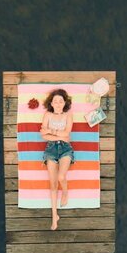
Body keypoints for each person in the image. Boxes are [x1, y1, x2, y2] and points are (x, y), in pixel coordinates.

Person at [40, 89, 75, 230]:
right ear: (51, 103)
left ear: (65, 103)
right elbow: (43, 135)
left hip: (65, 148)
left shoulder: (68, 115)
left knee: (61, 176)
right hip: (50, 149)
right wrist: (59, 135)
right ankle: (54, 216)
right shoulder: (47, 114)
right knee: (53, 184)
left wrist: (51, 131)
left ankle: (65, 192)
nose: (58, 103)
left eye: (61, 101)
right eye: (56, 101)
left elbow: (67, 134)